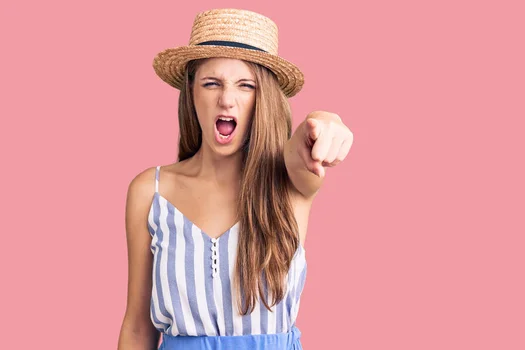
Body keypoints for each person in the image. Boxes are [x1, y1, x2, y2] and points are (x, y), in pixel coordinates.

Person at [117, 8, 353, 350]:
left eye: (246, 86)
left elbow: (305, 148)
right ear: (191, 92)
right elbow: (138, 328)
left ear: (264, 99)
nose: (226, 100)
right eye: (211, 83)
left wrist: (324, 121)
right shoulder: (149, 191)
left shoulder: (288, 183)